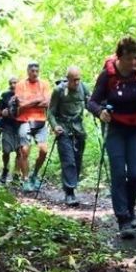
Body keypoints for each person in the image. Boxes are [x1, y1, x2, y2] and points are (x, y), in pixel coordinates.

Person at [87, 37, 136, 238]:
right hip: (115, 129)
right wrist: (100, 112)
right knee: (119, 174)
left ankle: (129, 207)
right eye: (130, 58)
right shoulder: (107, 77)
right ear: (120, 57)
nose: (133, 62)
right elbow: (92, 102)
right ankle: (123, 219)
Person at [48, 66, 91, 206]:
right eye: (74, 80)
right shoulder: (59, 91)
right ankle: (70, 192)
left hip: (79, 129)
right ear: (68, 80)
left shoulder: (83, 88)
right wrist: (55, 126)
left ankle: (71, 187)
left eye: (79, 79)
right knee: (68, 160)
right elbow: (50, 112)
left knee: (77, 161)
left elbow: (90, 104)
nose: (77, 82)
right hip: (64, 129)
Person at [14, 62, 52, 192]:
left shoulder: (44, 84)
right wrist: (37, 100)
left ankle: (35, 175)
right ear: (28, 71)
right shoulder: (20, 85)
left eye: (37, 71)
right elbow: (21, 105)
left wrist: (29, 103)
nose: (35, 73)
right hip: (24, 120)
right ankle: (25, 179)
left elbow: (47, 103)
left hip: (40, 121)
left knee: (44, 150)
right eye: (32, 71)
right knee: (24, 151)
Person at [0, 77, 19, 184]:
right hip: (7, 126)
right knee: (6, 151)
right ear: (9, 84)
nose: (13, 85)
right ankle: (5, 169)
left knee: (20, 152)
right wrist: (1, 112)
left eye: (15, 83)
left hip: (19, 126)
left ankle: (17, 174)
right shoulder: (5, 95)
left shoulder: (23, 94)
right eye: (11, 83)